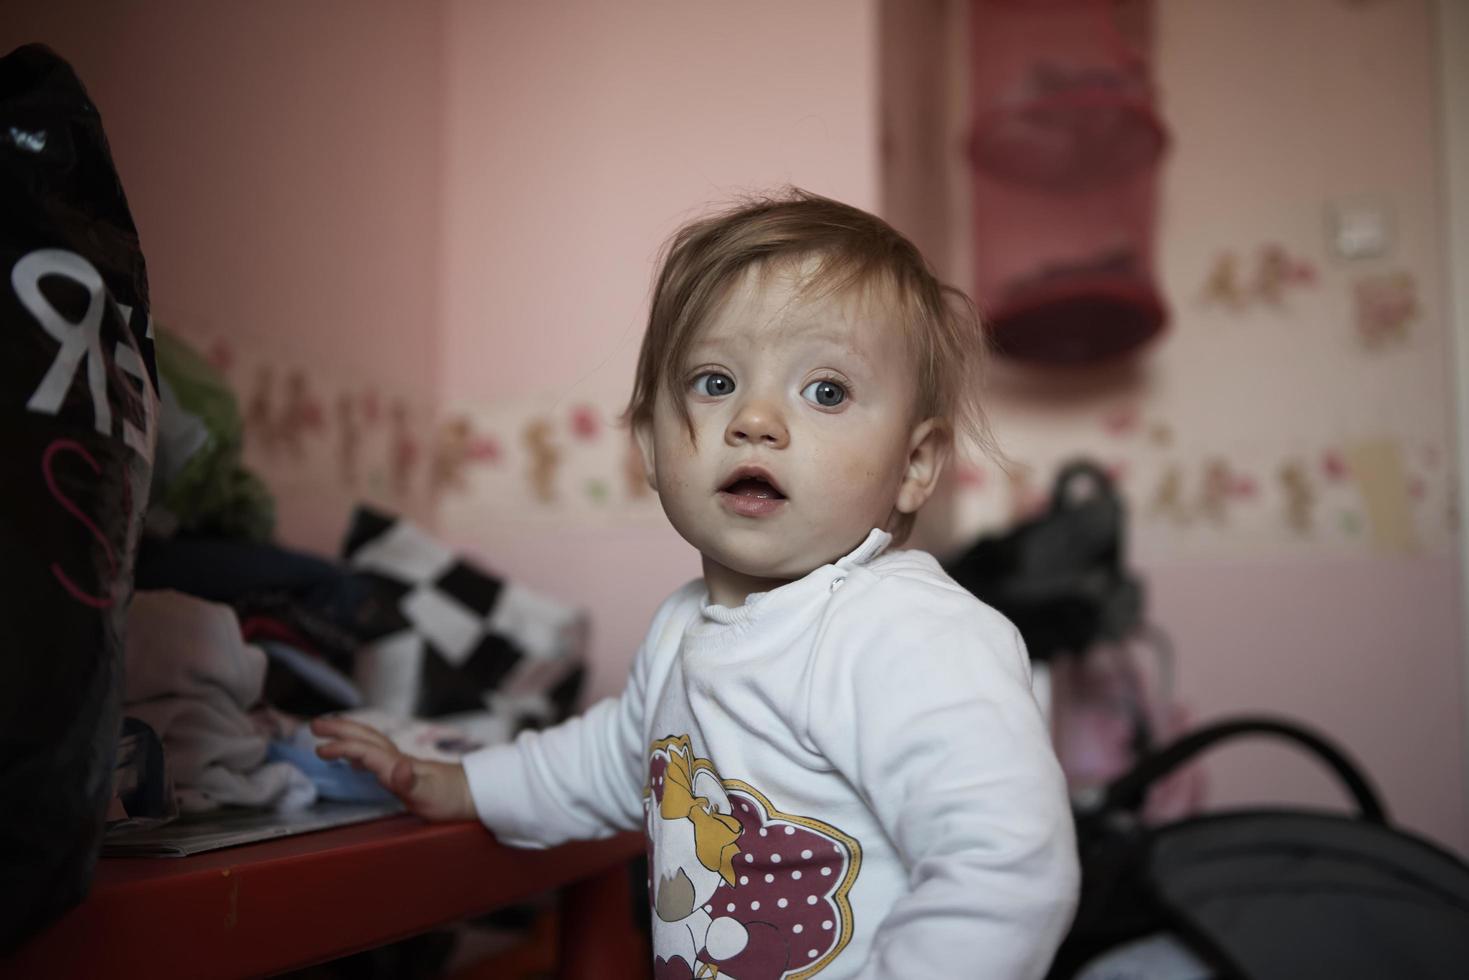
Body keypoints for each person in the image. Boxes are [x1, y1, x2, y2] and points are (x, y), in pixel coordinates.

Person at [313, 189, 1079, 978]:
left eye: (825, 391)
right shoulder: (684, 627)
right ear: (649, 444)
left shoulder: (907, 634)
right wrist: (461, 785)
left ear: (914, 465)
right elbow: (611, 759)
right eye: (715, 382)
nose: (754, 419)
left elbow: (1007, 869)